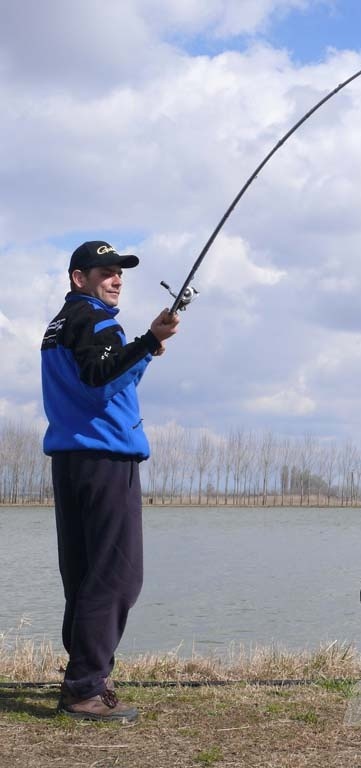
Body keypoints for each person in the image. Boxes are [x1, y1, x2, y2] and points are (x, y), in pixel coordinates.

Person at [40, 240, 180, 722]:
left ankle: (87, 675)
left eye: (119, 272)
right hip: (104, 459)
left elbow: (97, 384)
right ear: (79, 277)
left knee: (83, 576)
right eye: (105, 271)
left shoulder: (60, 324)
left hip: (71, 460)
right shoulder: (97, 319)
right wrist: (143, 340)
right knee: (117, 576)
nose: (116, 278)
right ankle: (85, 687)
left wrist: (144, 351)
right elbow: (100, 377)